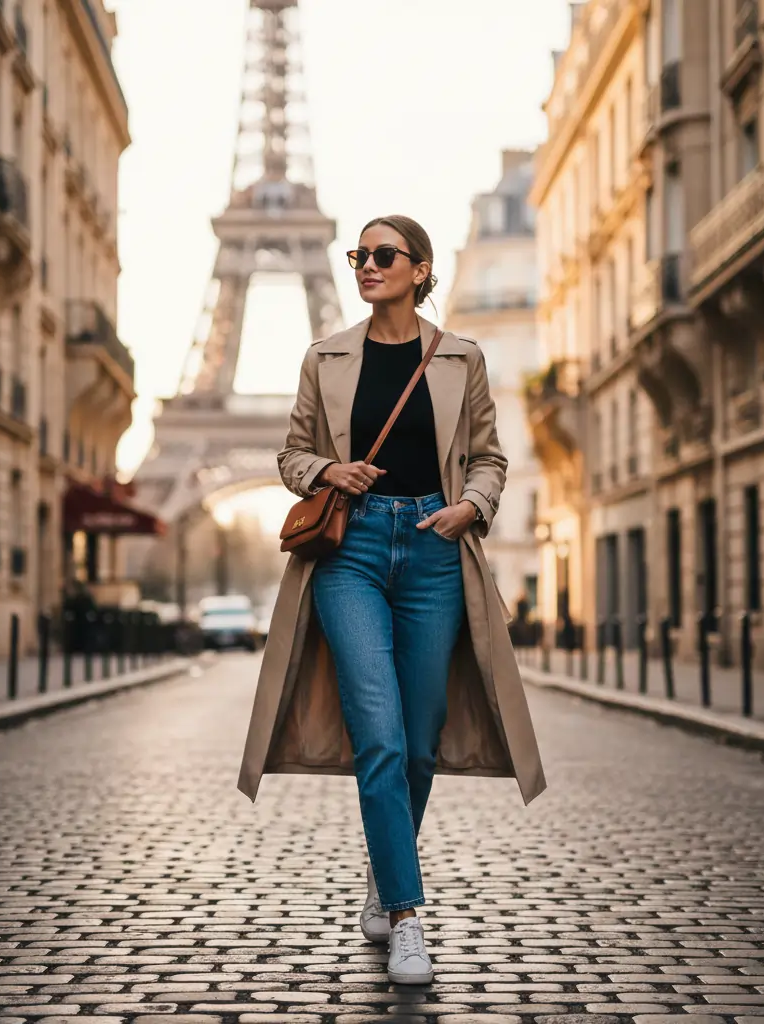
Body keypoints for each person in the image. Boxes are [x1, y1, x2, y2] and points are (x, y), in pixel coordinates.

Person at [237, 214, 547, 986]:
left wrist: (470, 507)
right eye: (358, 255)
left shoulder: (462, 358)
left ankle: (385, 867)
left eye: (383, 255)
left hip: (436, 549)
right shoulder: (326, 357)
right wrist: (326, 473)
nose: (366, 265)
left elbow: (489, 457)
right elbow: (292, 453)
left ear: (420, 269)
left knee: (419, 741)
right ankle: (407, 916)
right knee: (377, 734)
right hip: (354, 552)